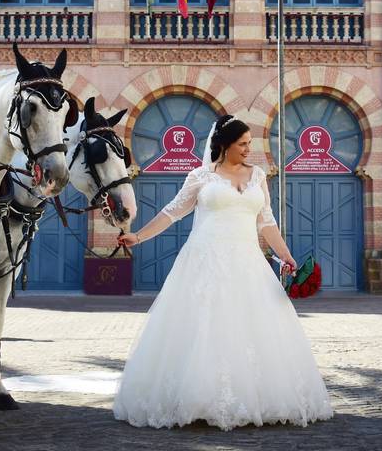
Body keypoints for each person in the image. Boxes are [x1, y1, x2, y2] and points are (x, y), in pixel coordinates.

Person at [112, 115, 333, 430]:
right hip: (204, 260)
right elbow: (172, 212)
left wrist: (286, 257)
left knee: (251, 328)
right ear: (224, 144)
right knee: (204, 328)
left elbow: (266, 222)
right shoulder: (201, 176)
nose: (247, 149)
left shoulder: (257, 176)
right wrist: (138, 236)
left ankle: (253, 397)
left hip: (248, 262)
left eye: (249, 144)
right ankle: (197, 398)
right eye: (242, 144)